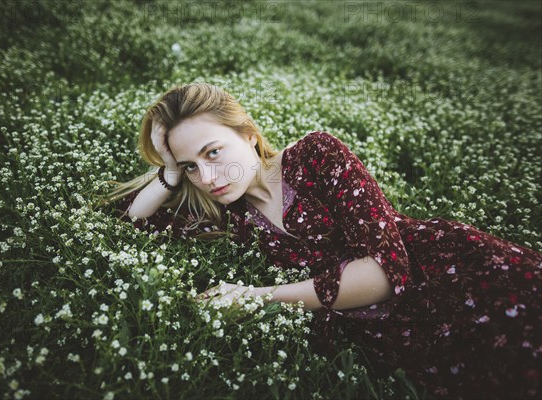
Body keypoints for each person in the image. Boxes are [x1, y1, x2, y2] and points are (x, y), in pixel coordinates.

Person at [100, 82, 542, 399]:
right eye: (193, 167)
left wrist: (255, 298)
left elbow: (388, 272)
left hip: (452, 269)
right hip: (404, 330)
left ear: (249, 136)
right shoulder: (233, 217)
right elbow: (129, 222)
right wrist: (171, 174)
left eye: (213, 151)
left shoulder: (317, 154)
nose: (208, 177)